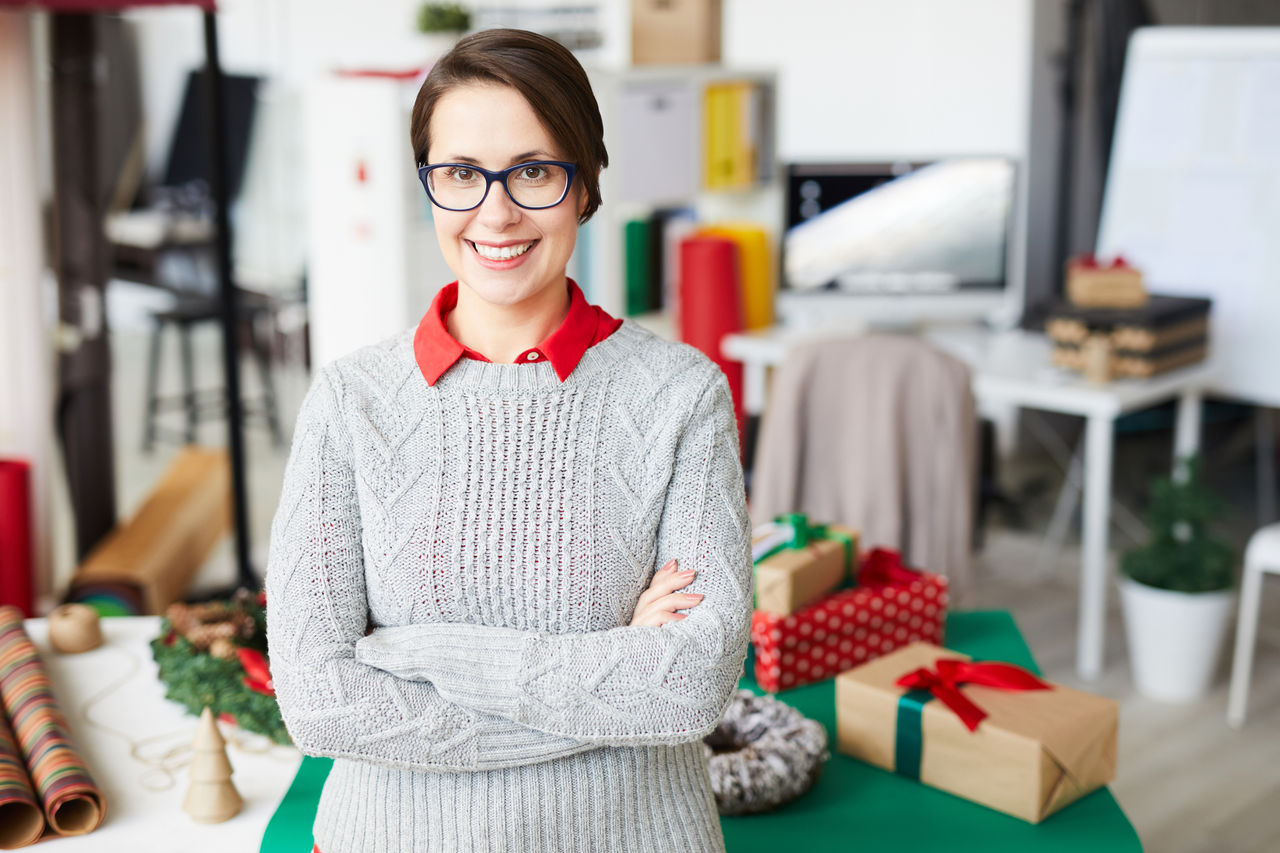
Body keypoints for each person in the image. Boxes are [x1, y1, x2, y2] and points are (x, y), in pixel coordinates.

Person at [265, 28, 752, 853]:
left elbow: (691, 685)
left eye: (533, 171)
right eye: (460, 174)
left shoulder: (681, 394)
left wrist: (423, 655)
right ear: (429, 187)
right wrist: (611, 669)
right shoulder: (351, 401)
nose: (495, 212)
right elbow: (320, 701)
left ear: (586, 184)